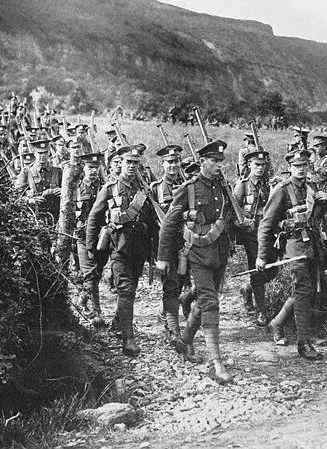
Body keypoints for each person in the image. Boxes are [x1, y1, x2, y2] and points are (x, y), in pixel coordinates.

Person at [157, 140, 240, 384]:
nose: (218, 165)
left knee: (205, 300)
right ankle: (216, 364)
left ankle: (185, 340)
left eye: (221, 161)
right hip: (197, 253)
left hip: (219, 252)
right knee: (210, 302)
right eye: (214, 161)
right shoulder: (189, 188)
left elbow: (229, 217)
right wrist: (163, 257)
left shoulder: (223, 187)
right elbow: (169, 224)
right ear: (202, 161)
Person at [85, 145, 158, 356]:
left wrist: (155, 250)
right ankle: (128, 339)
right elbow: (94, 218)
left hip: (140, 248)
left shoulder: (144, 191)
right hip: (119, 247)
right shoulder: (109, 189)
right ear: (120, 164)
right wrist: (91, 247)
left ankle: (118, 324)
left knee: (131, 287)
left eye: (135, 163)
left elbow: (152, 221)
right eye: (128, 163)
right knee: (126, 289)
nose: (131, 167)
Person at [257, 149, 323, 360]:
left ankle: (277, 323)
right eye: (296, 166)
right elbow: (266, 224)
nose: (301, 169)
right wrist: (262, 255)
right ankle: (303, 343)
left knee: (305, 288)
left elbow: (317, 215)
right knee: (303, 288)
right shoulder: (282, 189)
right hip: (293, 245)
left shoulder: (312, 187)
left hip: (312, 243)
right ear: (289, 168)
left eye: (304, 165)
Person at [150, 144, 188, 342]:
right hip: (165, 244)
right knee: (171, 284)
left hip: (185, 242)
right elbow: (150, 219)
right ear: (162, 164)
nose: (173, 166)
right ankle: (174, 330)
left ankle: (164, 311)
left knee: (182, 282)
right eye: (169, 162)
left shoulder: (188, 186)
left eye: (176, 162)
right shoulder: (155, 189)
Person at [234, 149, 274, 326]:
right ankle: (261, 312)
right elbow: (233, 210)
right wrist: (242, 223)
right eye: (257, 165)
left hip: (267, 233)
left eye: (263, 165)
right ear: (249, 165)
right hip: (251, 234)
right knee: (258, 271)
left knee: (272, 270)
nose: (260, 168)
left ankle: (247, 288)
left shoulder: (268, 185)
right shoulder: (242, 185)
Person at [75, 152, 107, 325]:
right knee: (90, 274)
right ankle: (96, 313)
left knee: (98, 272)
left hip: (102, 238)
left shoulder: (105, 188)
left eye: (96, 168)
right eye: (90, 167)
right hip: (82, 237)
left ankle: (82, 299)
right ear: (83, 168)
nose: (93, 171)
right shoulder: (76, 187)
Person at [14, 139, 62, 223]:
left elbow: (68, 191)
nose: (42, 155)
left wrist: (62, 191)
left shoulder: (58, 171)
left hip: (55, 215)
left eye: (45, 153)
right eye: (39, 153)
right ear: (34, 154)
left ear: (49, 153)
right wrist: (29, 200)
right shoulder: (27, 172)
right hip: (34, 217)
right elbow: (16, 196)